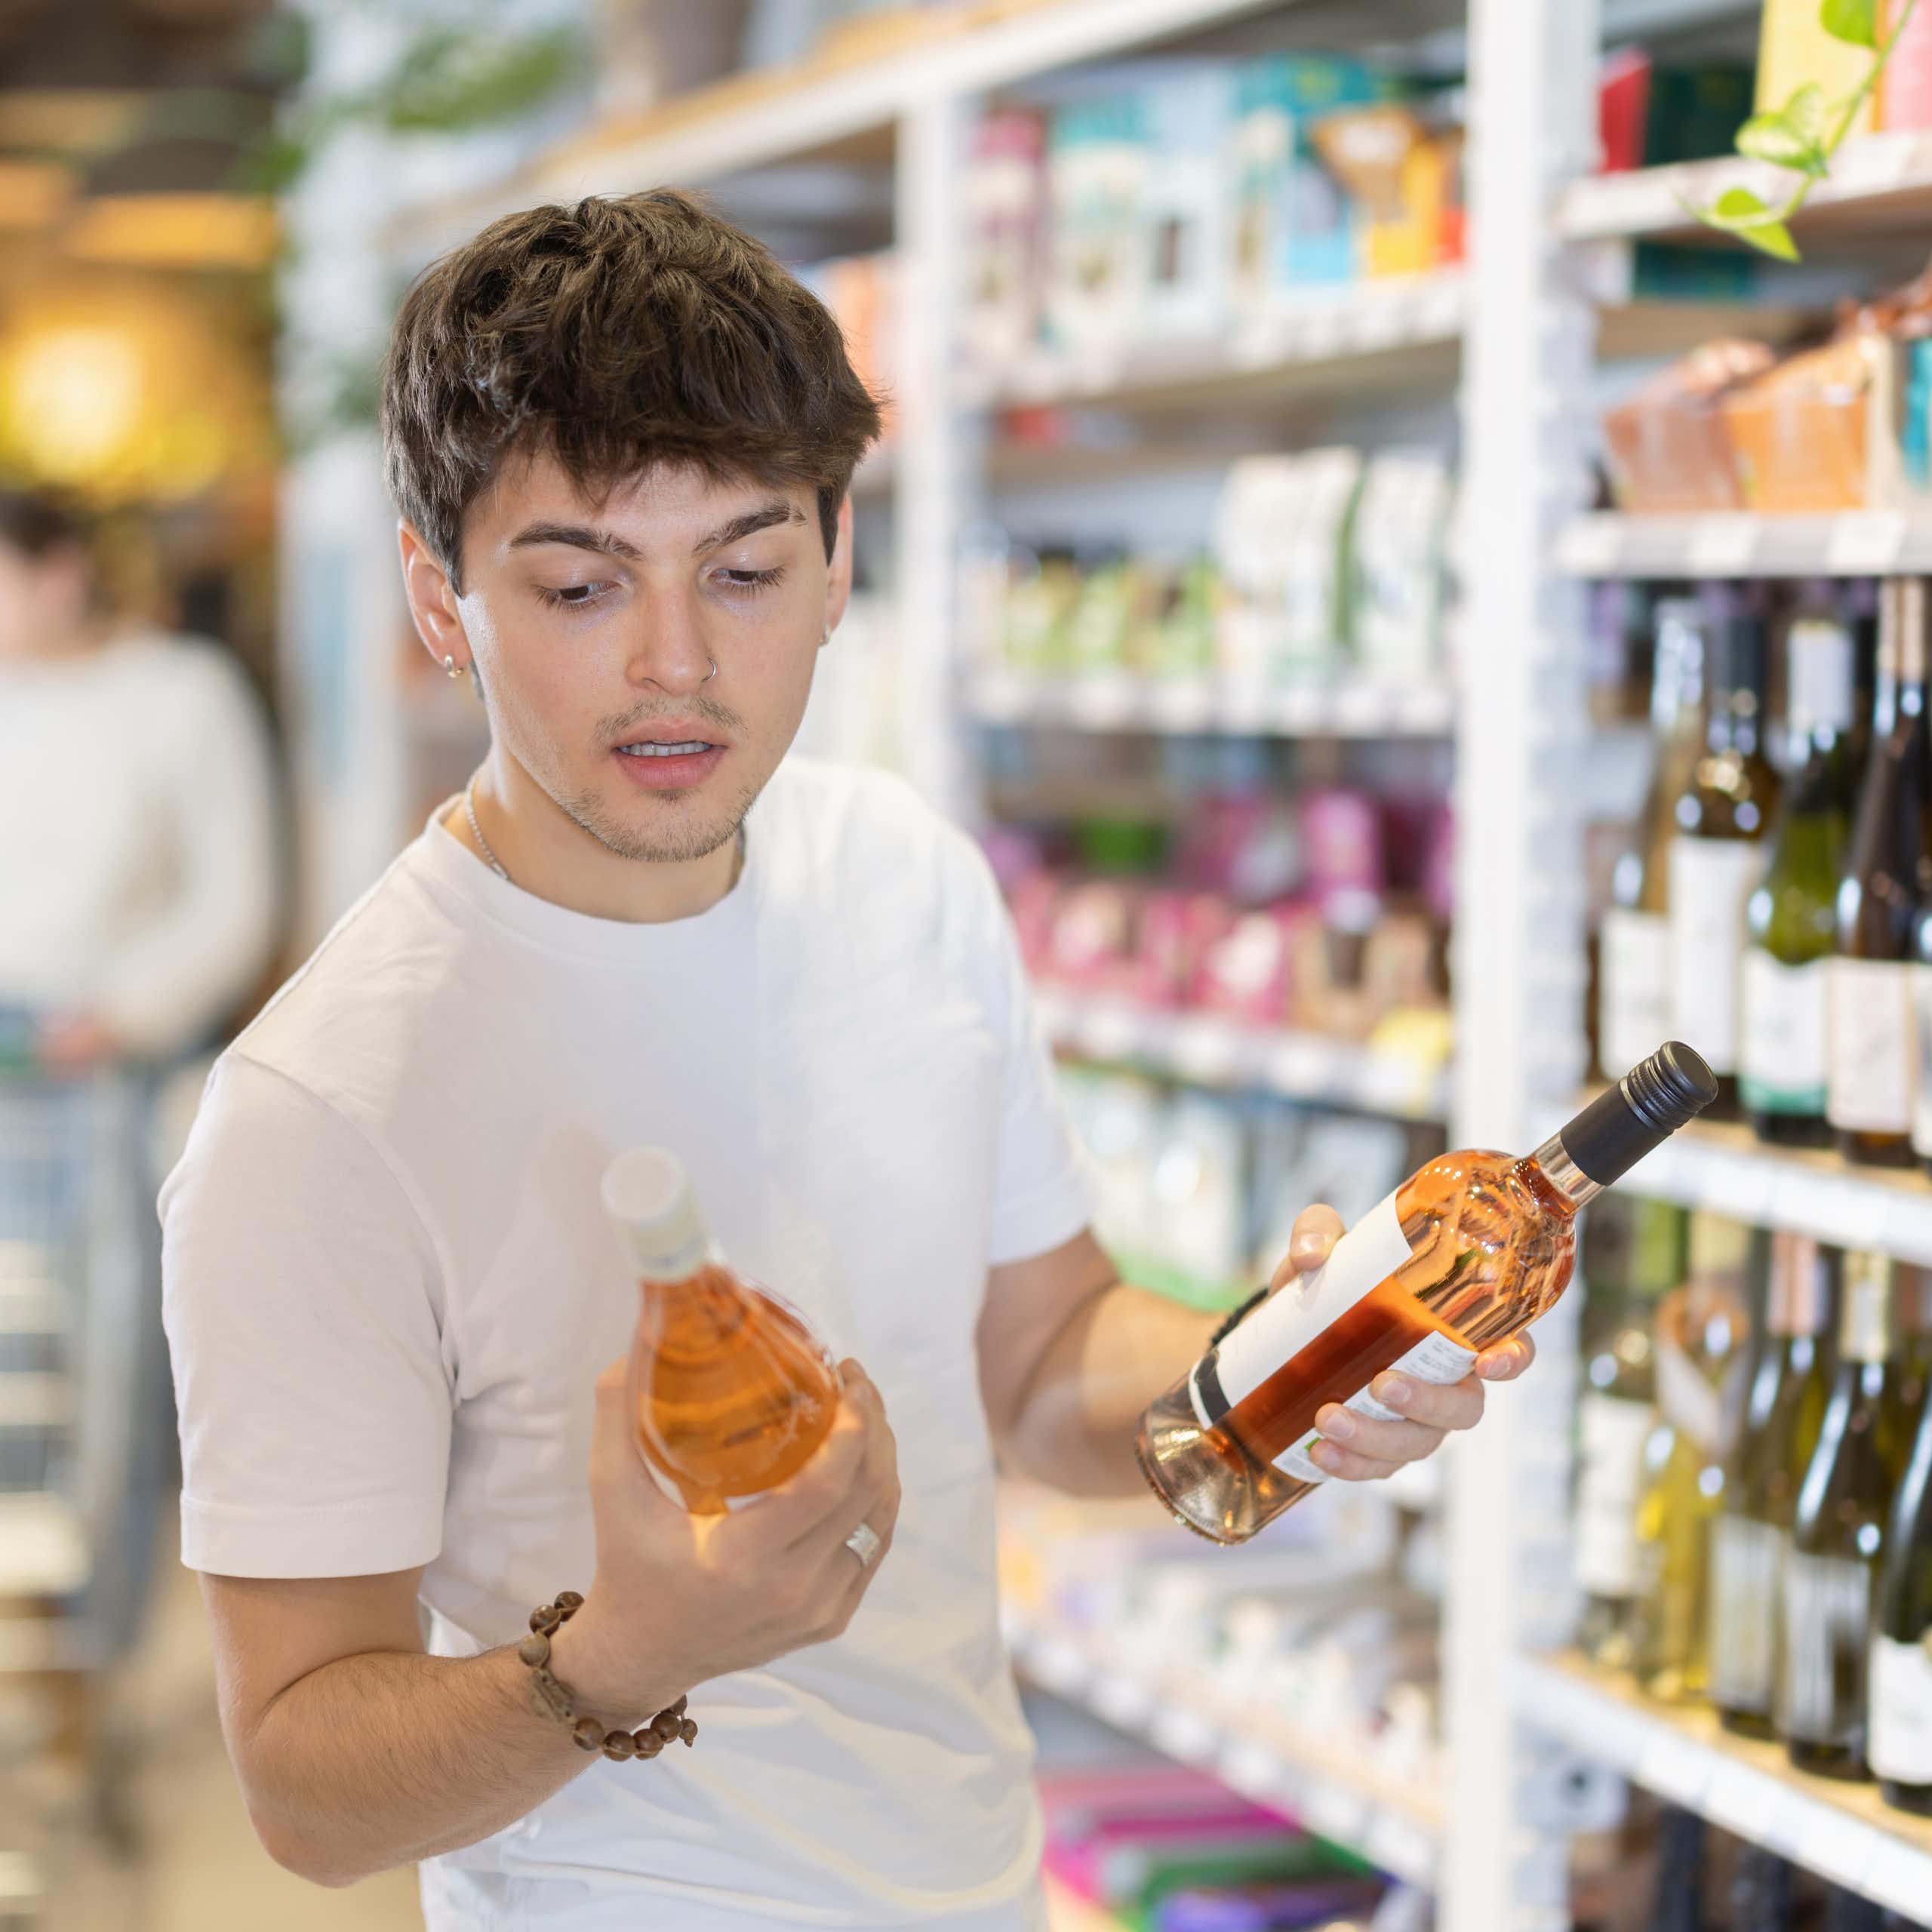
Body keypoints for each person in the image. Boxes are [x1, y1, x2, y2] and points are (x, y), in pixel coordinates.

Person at [159, 192, 1533, 1932]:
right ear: (439, 598)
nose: (675, 661)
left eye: (742, 569)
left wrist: (1278, 1359)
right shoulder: (318, 1111)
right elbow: (300, 1780)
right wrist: (622, 1656)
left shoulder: (901, 872)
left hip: (977, 1885)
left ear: (837, 563)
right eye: (580, 582)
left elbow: (1036, 1363)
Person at [0, 490, 280, 1072]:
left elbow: (237, 903)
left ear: (59, 575)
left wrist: (122, 1016)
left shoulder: (186, 691)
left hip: (131, 1057)